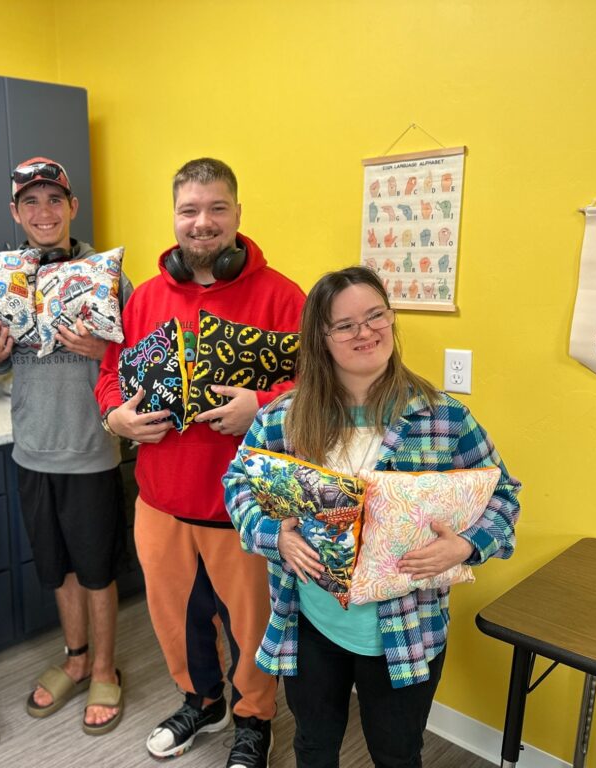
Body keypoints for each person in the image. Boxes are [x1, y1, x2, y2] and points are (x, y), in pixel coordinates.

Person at [223, 266, 522, 768]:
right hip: (309, 623)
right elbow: (238, 485)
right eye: (345, 325)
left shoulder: (443, 417)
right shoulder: (284, 416)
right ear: (320, 338)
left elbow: (505, 495)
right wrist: (275, 535)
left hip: (407, 629)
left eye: (376, 315)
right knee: (314, 747)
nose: (365, 332)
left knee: (398, 752)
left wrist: (467, 545)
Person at [96, 158, 306, 768]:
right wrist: (116, 419)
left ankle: (253, 721)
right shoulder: (144, 299)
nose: (203, 222)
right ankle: (202, 701)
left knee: (250, 629)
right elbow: (111, 375)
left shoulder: (283, 296)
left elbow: (319, 390)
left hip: (242, 508)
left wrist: (262, 406)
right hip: (160, 500)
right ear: (175, 218)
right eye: (190, 210)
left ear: (238, 213)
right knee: (177, 623)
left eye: (217, 208)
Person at [0, 158, 131, 735]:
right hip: (32, 447)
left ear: (73, 207)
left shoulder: (109, 275)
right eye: (31, 202)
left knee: (96, 570)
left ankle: (106, 667)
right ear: (16, 212)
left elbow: (141, 362)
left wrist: (103, 352)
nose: (44, 212)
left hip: (90, 448)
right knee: (59, 570)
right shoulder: (3, 280)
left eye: (54, 200)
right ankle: (76, 656)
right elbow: (0, 361)